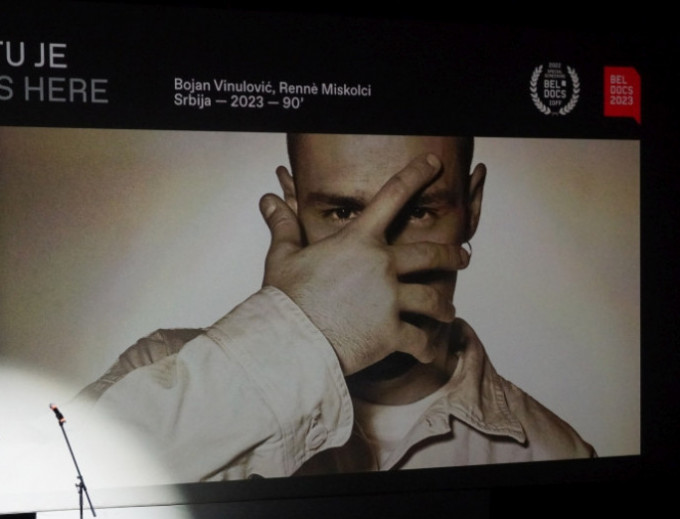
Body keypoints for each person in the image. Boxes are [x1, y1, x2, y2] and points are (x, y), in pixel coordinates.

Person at [80, 133, 594, 481]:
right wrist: (299, 340)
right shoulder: (152, 372)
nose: (375, 261)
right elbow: (59, 489)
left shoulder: (556, 457)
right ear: (292, 203)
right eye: (343, 212)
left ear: (472, 206)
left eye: (418, 211)